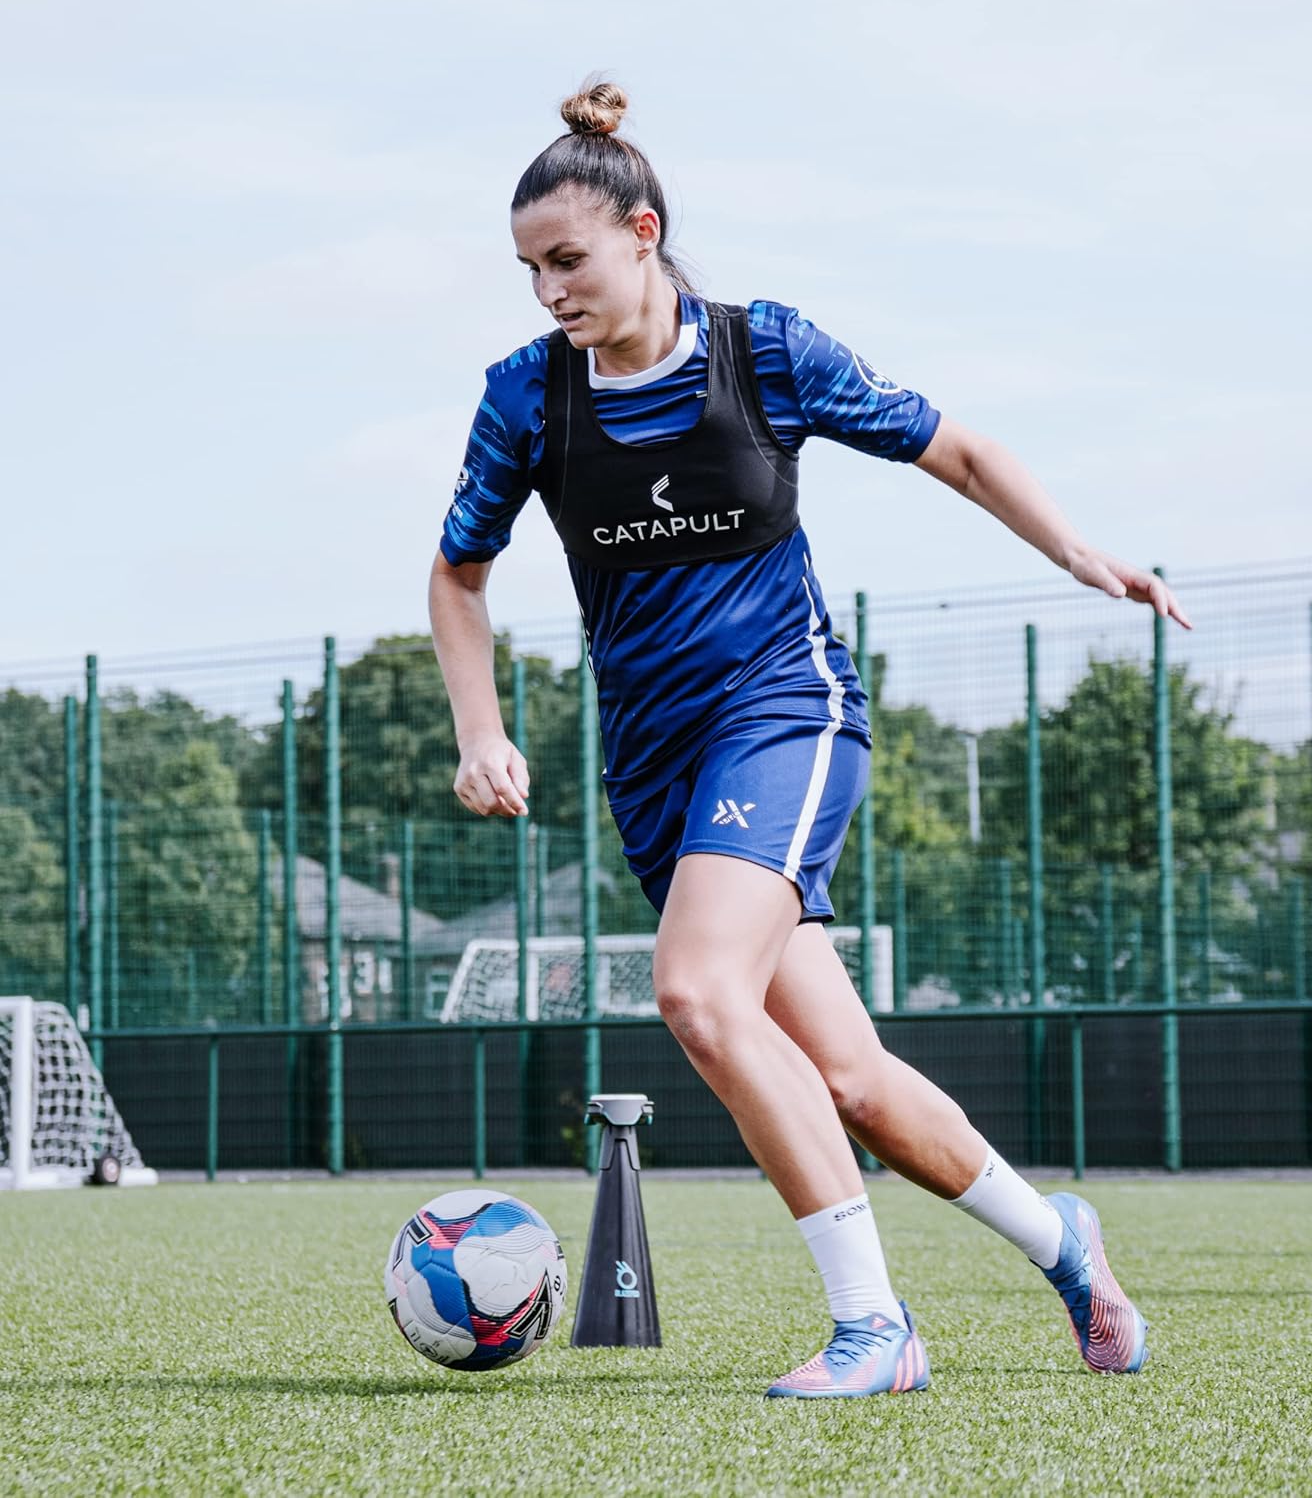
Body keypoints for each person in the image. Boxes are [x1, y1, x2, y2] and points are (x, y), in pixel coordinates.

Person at [430, 78, 1191, 1399]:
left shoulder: (765, 351)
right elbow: (458, 574)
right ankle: (1064, 1243)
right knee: (850, 1078)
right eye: (530, 271)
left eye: (568, 260)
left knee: (696, 994)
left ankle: (874, 1329)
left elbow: (957, 450)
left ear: (643, 234)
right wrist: (480, 730)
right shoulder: (526, 399)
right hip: (654, 766)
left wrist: (1077, 552)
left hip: (786, 711)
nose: (549, 292)